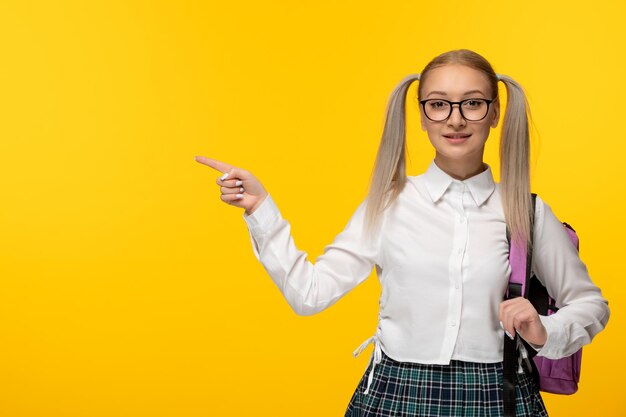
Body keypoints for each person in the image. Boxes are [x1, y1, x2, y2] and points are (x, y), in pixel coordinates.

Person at [195, 49, 610, 416]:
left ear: (496, 112)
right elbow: (310, 295)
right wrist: (261, 211)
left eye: (473, 104)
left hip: (498, 396)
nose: (456, 119)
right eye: (438, 105)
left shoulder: (526, 211)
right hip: (397, 395)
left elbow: (590, 304)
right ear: (422, 115)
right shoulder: (388, 204)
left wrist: (545, 330)